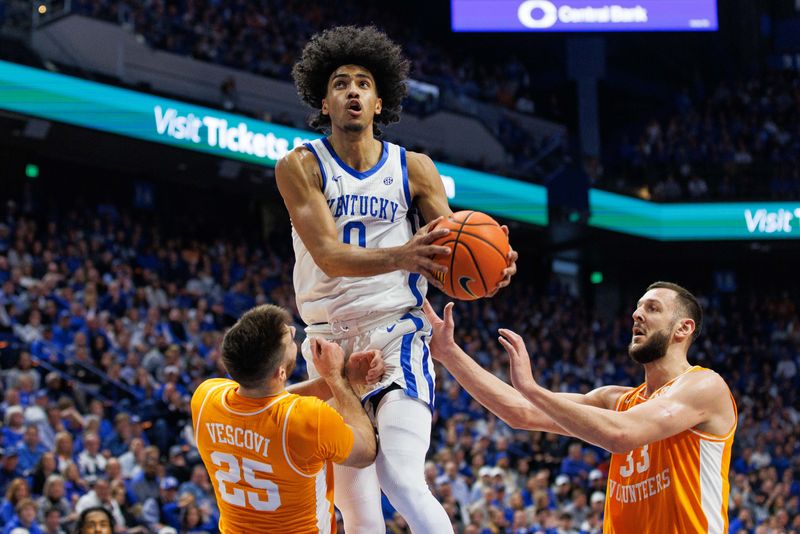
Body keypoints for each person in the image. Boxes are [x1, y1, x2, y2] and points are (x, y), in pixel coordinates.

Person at [278, 25, 517, 532]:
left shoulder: (415, 169)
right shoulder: (300, 165)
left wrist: (489, 272)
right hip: (327, 344)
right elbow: (327, 254)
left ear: (380, 101)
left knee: (400, 478)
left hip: (395, 332)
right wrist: (404, 255)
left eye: (363, 83)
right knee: (358, 512)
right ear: (324, 100)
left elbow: (450, 252)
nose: (352, 92)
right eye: (340, 83)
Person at [423, 281, 737, 532]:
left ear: (683, 328)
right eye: (637, 309)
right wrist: (449, 354)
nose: (637, 315)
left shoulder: (705, 386)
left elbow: (621, 435)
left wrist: (532, 388)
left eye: (652, 309)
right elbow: (520, 411)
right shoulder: (617, 400)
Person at [191, 304, 380, 533]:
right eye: (289, 339)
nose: (292, 330)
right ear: (280, 373)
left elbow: (269, 401)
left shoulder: (205, 397)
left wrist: (341, 378)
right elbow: (367, 451)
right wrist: (336, 380)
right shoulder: (309, 419)